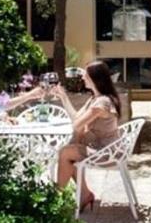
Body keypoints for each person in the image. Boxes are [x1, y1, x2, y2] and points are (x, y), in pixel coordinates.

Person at [51, 61, 121, 212]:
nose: (82, 77)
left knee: (66, 153)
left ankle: (55, 200)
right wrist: (63, 97)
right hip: (100, 148)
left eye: (86, 75)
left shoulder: (102, 103)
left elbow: (77, 124)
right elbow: (77, 119)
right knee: (69, 152)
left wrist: (78, 131)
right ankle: (85, 194)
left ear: (95, 78)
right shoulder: (95, 99)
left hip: (106, 152)